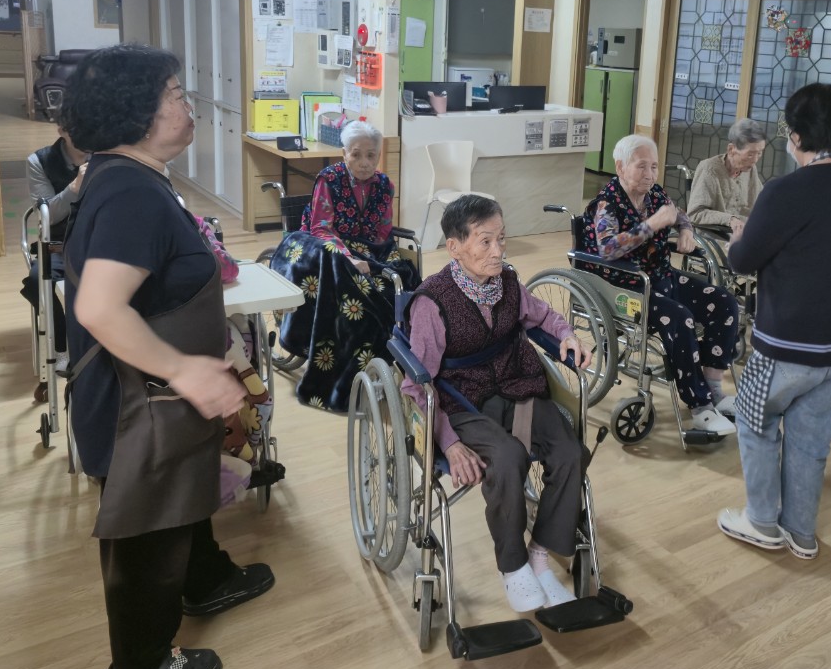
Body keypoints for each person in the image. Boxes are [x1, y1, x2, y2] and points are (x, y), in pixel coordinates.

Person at [61, 45, 273, 669]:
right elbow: (99, 307)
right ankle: (145, 661)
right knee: (145, 540)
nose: (189, 105)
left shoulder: (127, 175)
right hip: (138, 408)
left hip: (159, 403)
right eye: (176, 95)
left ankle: (204, 578)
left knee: (178, 502)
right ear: (137, 114)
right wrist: (183, 368)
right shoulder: (132, 193)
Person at [717, 83, 831, 560]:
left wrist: (738, 238)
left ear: (795, 136)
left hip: (794, 344)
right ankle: (800, 532)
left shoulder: (785, 191)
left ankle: (761, 522)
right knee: (810, 439)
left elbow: (744, 261)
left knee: (755, 421)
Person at [401, 195, 593, 613]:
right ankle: (514, 566)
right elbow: (417, 385)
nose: (497, 251)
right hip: (460, 402)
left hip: (515, 385)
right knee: (506, 459)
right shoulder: (432, 302)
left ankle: (540, 554)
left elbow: (543, 316)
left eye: (501, 239)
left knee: (570, 452)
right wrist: (449, 442)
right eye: (485, 241)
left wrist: (567, 335)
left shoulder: (507, 283)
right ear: (455, 247)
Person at [581, 135, 739, 435]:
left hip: (662, 277)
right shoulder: (607, 203)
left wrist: (686, 230)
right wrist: (653, 224)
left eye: (654, 166)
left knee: (725, 303)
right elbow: (608, 249)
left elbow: (679, 214)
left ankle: (714, 389)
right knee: (681, 318)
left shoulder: (654, 194)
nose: (650, 174)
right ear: (620, 166)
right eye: (642, 166)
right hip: (626, 288)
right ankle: (700, 407)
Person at [269, 119, 419, 411]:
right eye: (356, 154)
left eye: (371, 155)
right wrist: (349, 257)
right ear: (344, 154)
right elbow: (321, 227)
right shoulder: (329, 179)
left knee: (399, 283)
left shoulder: (384, 185)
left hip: (368, 249)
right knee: (355, 294)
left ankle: (386, 365)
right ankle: (348, 373)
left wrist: (376, 262)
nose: (364, 162)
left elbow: (383, 232)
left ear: (379, 155)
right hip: (322, 244)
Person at [20, 128, 88, 400]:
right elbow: (48, 214)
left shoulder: (108, 152)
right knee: (37, 280)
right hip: (58, 244)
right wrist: (74, 188)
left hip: (100, 240)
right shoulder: (39, 161)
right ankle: (61, 345)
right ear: (62, 129)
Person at [685, 118, 767, 238]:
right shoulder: (710, 169)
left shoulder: (750, 169)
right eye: (750, 154)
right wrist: (730, 219)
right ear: (731, 149)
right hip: (715, 237)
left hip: (745, 235)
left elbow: (762, 203)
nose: (755, 160)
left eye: (759, 153)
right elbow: (695, 214)